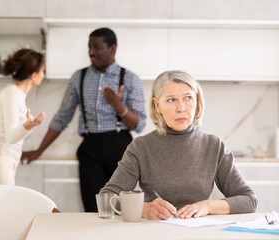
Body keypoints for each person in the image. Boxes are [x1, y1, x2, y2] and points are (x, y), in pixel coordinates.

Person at [100, 70, 258, 220]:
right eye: (171, 100)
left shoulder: (214, 146)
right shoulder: (141, 147)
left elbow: (249, 200)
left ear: (197, 101)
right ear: (157, 106)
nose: (181, 108)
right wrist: (143, 208)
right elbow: (107, 197)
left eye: (188, 98)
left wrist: (208, 206)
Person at [21, 27, 146, 212]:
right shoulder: (79, 78)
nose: (91, 52)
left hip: (121, 149)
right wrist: (39, 151)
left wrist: (118, 106)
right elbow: (62, 117)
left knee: (123, 209)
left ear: (112, 48)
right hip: (91, 149)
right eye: (89, 47)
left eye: (96, 47)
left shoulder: (130, 79)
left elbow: (139, 124)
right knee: (93, 209)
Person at [0, 49, 46, 185]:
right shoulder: (12, 94)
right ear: (34, 76)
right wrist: (29, 125)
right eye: (42, 71)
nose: (43, 75)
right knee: (8, 207)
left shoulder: (16, 94)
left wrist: (27, 126)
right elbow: (11, 137)